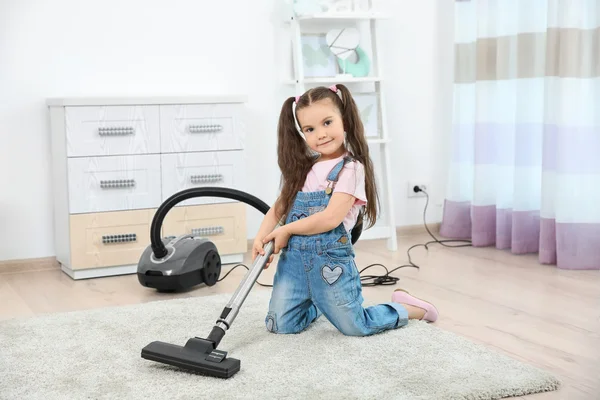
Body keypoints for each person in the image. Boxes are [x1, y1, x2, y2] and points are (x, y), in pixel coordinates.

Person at [252, 84, 438, 336]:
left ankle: (409, 308)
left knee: (356, 326)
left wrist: (286, 230)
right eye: (310, 129)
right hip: (293, 266)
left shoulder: (350, 168)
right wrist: (261, 239)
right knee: (280, 325)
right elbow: (278, 208)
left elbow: (330, 218)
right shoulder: (302, 169)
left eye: (327, 122)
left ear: (344, 121)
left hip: (331, 263)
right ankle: (320, 303)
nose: (321, 134)